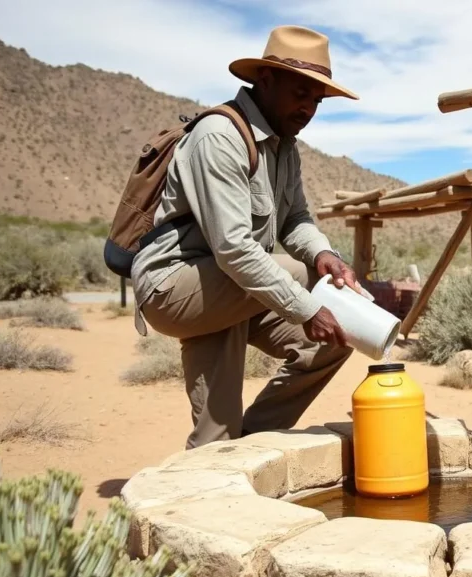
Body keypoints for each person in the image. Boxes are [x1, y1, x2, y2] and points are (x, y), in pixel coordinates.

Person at [130, 25, 363, 449]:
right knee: (298, 279)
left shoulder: (285, 147)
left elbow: (295, 218)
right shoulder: (219, 137)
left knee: (339, 335)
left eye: (317, 100)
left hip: (227, 288)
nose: (309, 107)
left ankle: (250, 446)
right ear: (266, 80)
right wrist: (307, 308)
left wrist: (324, 254)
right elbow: (235, 249)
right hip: (173, 284)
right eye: (301, 93)